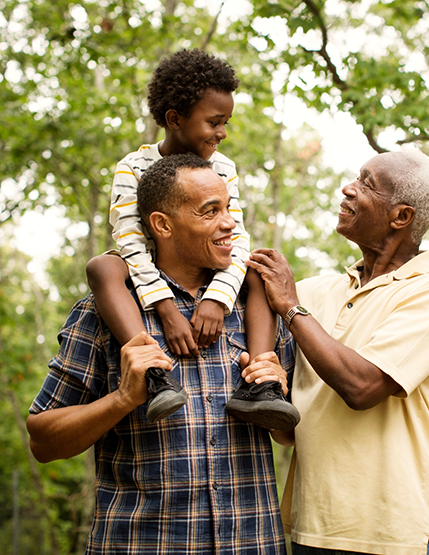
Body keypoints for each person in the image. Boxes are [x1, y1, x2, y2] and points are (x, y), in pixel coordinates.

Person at [27, 153, 295, 554]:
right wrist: (122, 399)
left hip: (254, 544)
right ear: (162, 225)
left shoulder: (258, 310)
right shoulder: (106, 311)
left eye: (227, 208)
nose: (229, 223)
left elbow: (290, 435)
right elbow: (43, 441)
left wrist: (278, 387)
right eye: (210, 212)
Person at [247, 148, 429, 555]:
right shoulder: (315, 292)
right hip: (311, 529)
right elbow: (288, 431)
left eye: (366, 184)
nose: (347, 189)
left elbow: (362, 386)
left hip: (397, 533)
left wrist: (290, 306)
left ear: (401, 217)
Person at [85, 48, 299, 430]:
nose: (222, 132)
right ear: (175, 119)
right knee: (103, 266)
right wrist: (165, 309)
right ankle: (153, 374)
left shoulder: (223, 167)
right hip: (149, 270)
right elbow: (131, 240)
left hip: (209, 268)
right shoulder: (132, 167)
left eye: (226, 122)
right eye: (214, 122)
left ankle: (261, 383)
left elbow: (236, 238)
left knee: (258, 268)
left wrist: (218, 299)